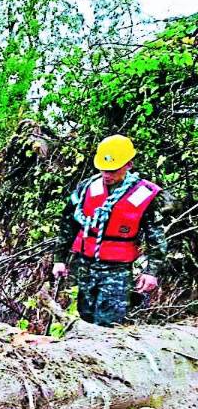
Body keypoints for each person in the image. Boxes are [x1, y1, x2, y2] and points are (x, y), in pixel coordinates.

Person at [52, 135, 167, 326]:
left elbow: (156, 236)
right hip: (85, 265)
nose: (107, 175)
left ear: (129, 165)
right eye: (103, 169)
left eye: (113, 170)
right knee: (83, 320)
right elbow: (68, 224)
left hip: (117, 270)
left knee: (108, 324)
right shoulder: (86, 188)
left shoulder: (143, 194)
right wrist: (59, 259)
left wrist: (151, 271)